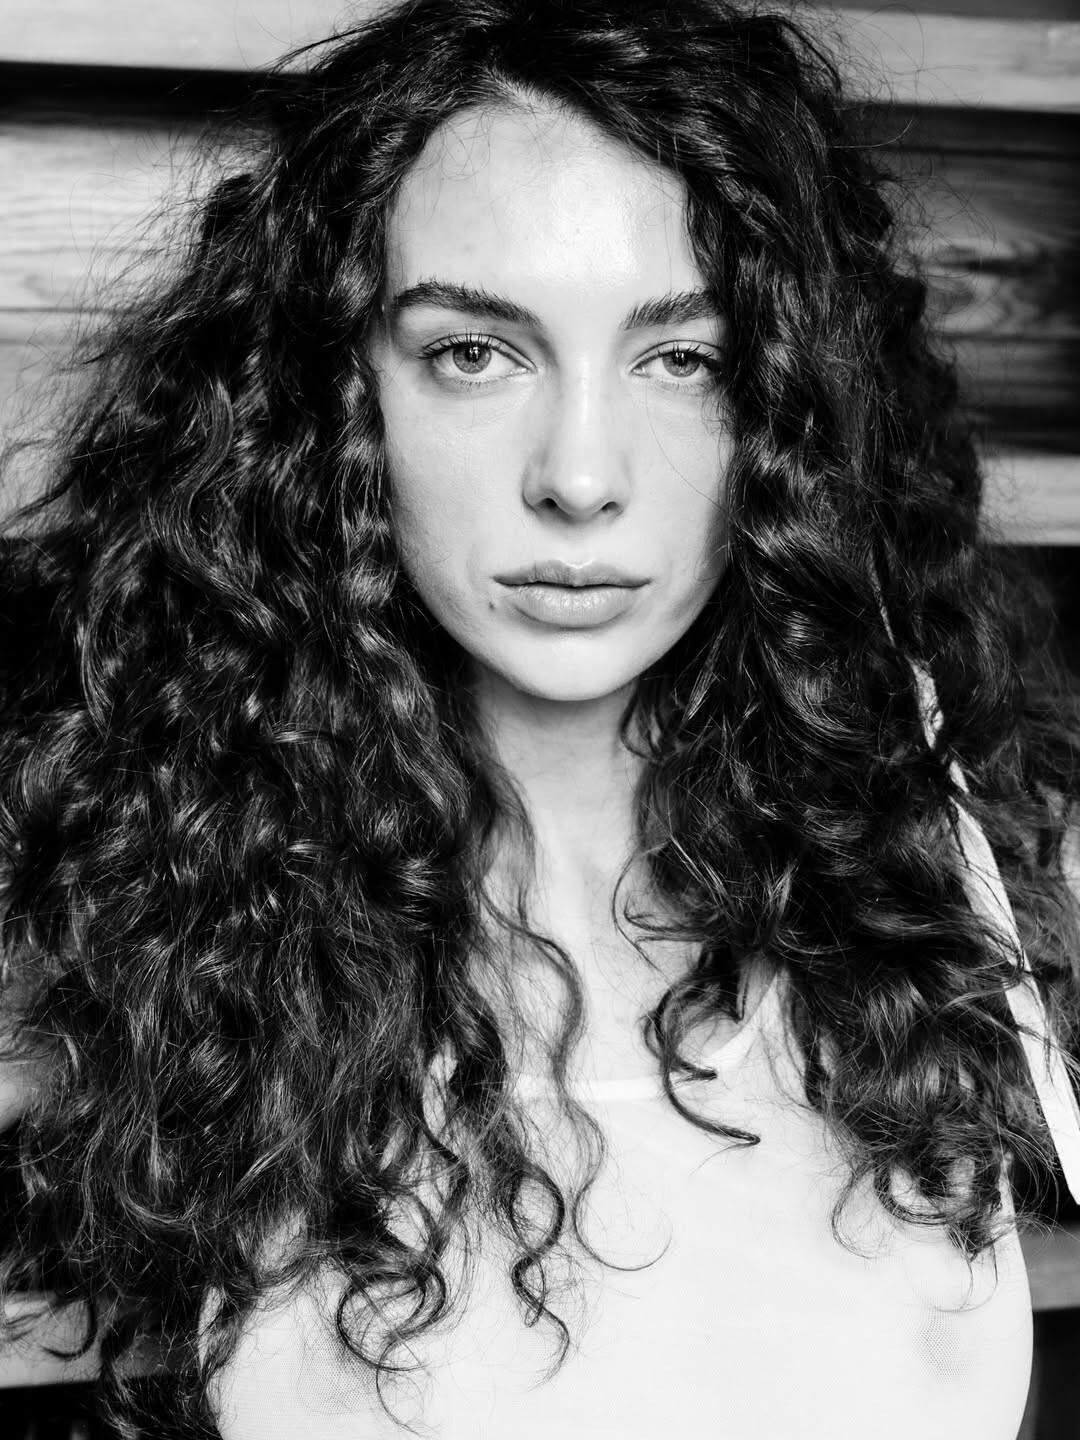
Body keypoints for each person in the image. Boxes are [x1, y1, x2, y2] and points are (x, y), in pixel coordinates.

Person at [1, 0, 1079, 1436]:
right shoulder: (147, 930)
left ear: (790, 408)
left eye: (685, 358)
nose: (580, 477)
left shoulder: (977, 868)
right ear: (338, 394)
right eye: (474, 352)